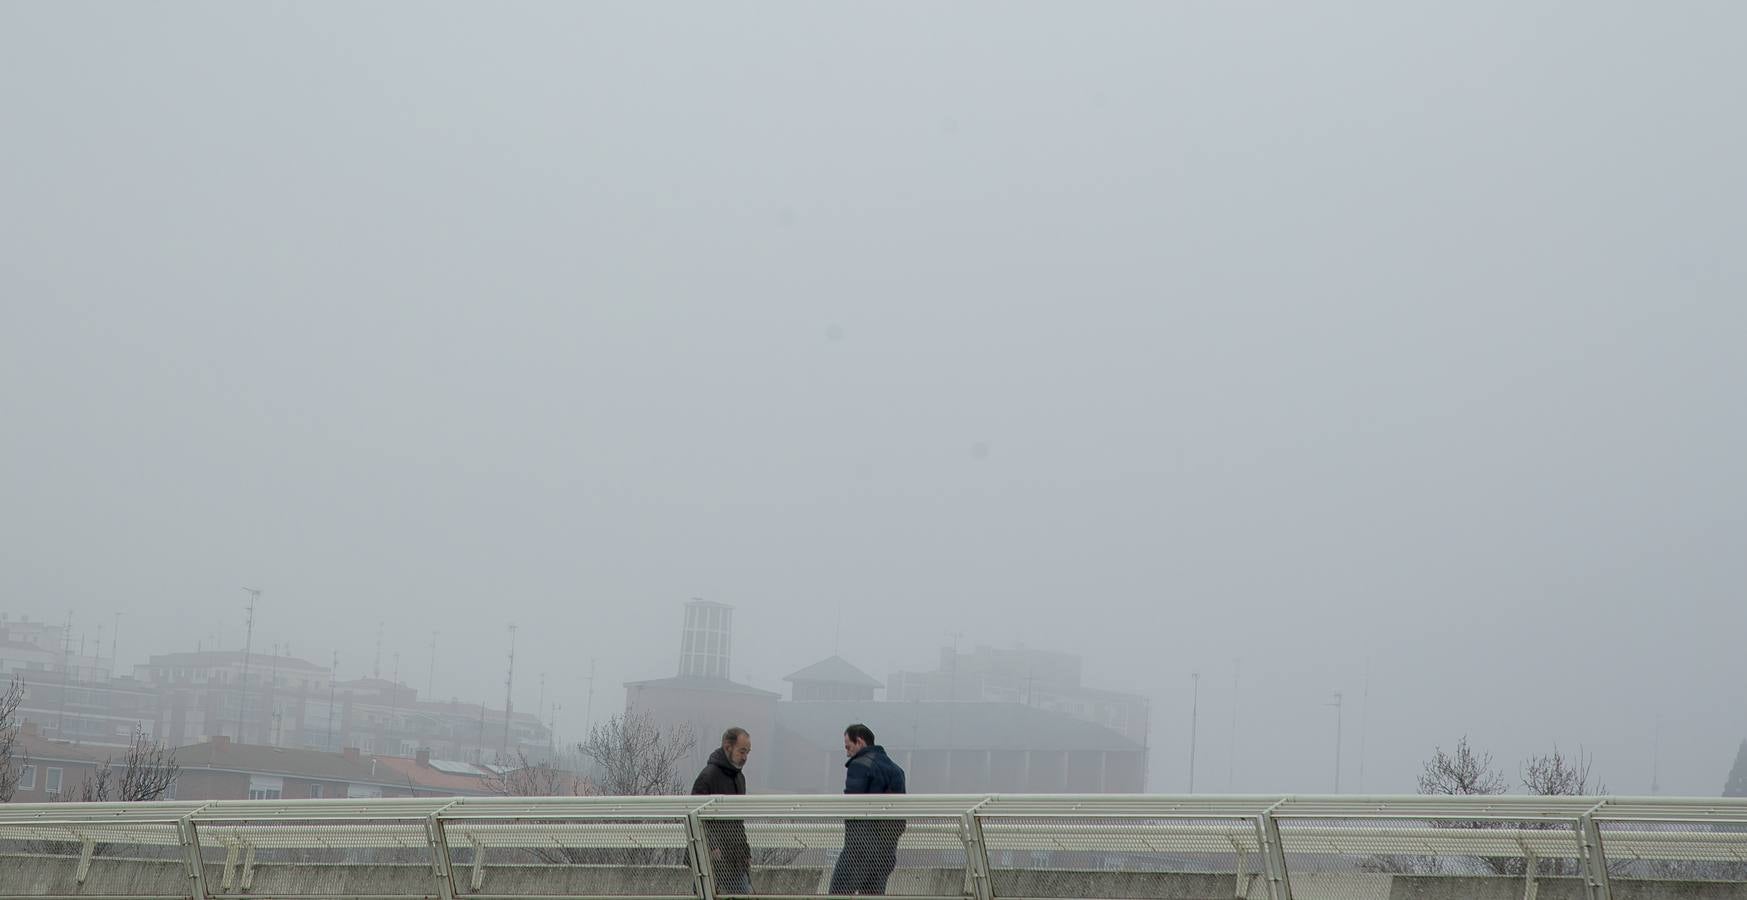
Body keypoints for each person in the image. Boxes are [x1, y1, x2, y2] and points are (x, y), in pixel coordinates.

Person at [829, 723, 906, 895]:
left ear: (860, 742)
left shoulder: (860, 764)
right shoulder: (897, 770)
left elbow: (853, 803)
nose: (847, 753)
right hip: (886, 853)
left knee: (838, 894)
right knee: (872, 896)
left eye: (848, 747)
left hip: (858, 850)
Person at [691, 727, 753, 895]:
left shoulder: (739, 778)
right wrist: (711, 847)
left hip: (733, 855)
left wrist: (745, 851)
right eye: (742, 751)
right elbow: (695, 816)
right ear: (727, 747)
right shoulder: (708, 776)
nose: (745, 757)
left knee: (704, 893)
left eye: (747, 752)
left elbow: (738, 821)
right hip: (713, 854)